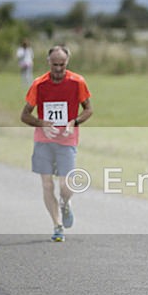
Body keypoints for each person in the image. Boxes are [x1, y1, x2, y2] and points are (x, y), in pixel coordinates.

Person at [20, 45, 93, 242]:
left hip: (67, 140)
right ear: (48, 62)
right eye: (54, 65)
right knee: (46, 184)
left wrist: (74, 122)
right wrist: (41, 123)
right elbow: (24, 115)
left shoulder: (77, 82)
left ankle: (65, 204)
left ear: (67, 62)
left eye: (62, 64)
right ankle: (57, 225)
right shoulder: (39, 84)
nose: (58, 69)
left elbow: (88, 109)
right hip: (43, 140)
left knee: (65, 185)